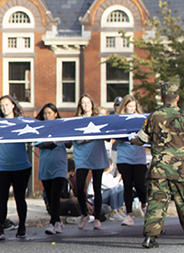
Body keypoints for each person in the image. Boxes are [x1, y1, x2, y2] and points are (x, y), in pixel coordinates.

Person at [136, 82, 184, 248]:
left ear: (162, 98)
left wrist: (130, 138)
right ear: (177, 97)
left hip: (158, 168)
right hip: (180, 169)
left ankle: (150, 237)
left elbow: (140, 140)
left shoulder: (153, 117)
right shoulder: (183, 116)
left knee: (156, 202)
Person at [0, 95, 31, 240]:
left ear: (13, 105)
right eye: (1, 105)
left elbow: (38, 132)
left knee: (19, 198)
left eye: (7, 104)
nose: (4, 108)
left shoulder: (22, 122)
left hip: (21, 166)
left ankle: (22, 227)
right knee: (2, 198)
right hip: (1, 167)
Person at [71, 94, 108, 230]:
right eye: (83, 103)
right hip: (82, 157)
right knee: (80, 187)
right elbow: (76, 138)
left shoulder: (99, 120)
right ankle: (85, 214)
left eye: (88, 102)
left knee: (97, 187)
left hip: (97, 155)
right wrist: (91, 137)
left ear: (92, 104)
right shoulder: (77, 120)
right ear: (80, 106)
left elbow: (107, 135)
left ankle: (97, 218)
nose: (86, 105)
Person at [113, 95, 148, 225]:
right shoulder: (119, 119)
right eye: (130, 106)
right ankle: (129, 215)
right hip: (124, 156)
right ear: (125, 106)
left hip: (139, 157)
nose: (132, 108)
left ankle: (144, 205)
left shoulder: (142, 118)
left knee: (139, 185)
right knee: (127, 185)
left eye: (134, 106)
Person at [34, 103, 68, 235]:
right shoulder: (41, 128)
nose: (47, 115)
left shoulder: (61, 127)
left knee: (55, 195)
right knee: (49, 196)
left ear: (55, 113)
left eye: (50, 113)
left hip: (59, 166)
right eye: (45, 113)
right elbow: (39, 144)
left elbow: (68, 142)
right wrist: (52, 143)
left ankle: (52, 223)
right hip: (46, 166)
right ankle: (58, 221)